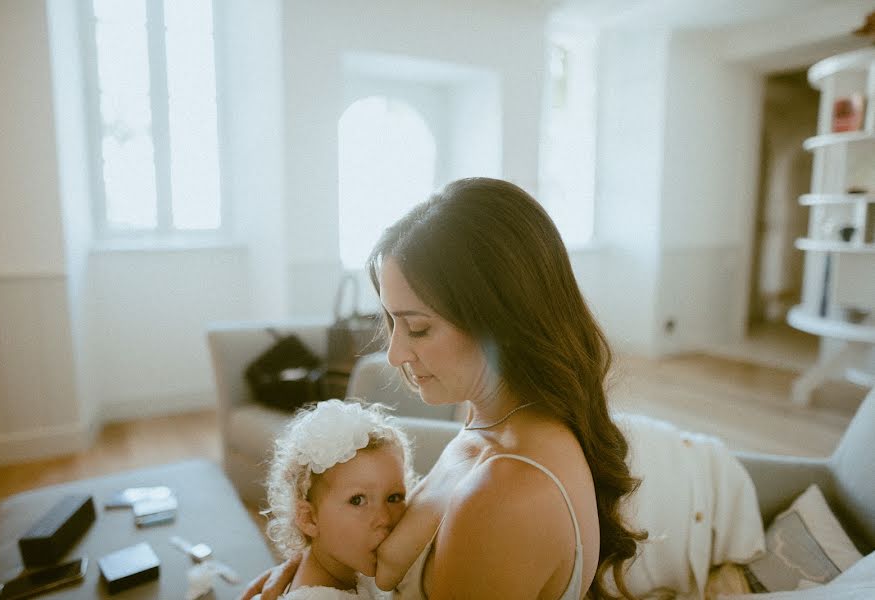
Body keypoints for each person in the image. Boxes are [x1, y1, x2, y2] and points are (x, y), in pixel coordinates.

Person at [242, 177, 646, 600]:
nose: (395, 353)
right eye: (392, 321)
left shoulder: (506, 494)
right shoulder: (490, 415)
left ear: (500, 321)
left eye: (418, 327)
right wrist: (311, 572)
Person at [258, 399, 418, 599]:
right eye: (358, 500)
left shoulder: (351, 563)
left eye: (394, 497)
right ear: (309, 518)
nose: (384, 519)